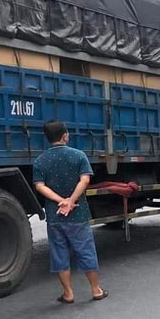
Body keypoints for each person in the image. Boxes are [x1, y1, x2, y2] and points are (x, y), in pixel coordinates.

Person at [33, 120, 108, 303]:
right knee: (85, 250)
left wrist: (61, 201)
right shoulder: (78, 156)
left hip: (55, 214)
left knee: (59, 254)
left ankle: (68, 293)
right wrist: (71, 201)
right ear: (65, 135)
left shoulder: (40, 161)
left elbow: (39, 186)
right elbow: (84, 181)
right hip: (78, 213)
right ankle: (96, 290)